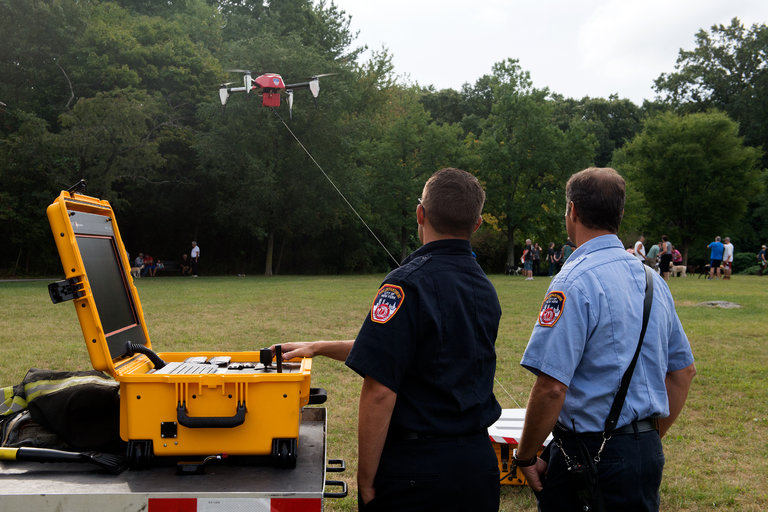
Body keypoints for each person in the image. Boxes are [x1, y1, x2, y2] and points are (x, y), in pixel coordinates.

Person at [276, 168, 502, 511]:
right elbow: (418, 353)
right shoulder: (484, 288)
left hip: (419, 472)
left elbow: (380, 390)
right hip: (477, 466)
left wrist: (366, 482)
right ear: (476, 224)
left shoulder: (406, 284)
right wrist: (320, 347)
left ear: (420, 214)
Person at [514, 167, 695, 512]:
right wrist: (646, 440)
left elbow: (552, 387)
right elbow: (683, 372)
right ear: (620, 214)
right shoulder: (652, 280)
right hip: (644, 451)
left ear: (573, 212)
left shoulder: (573, 280)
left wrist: (525, 456)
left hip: (586, 455)